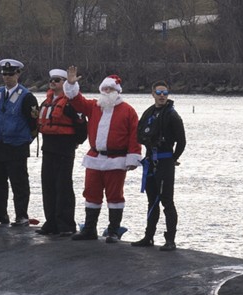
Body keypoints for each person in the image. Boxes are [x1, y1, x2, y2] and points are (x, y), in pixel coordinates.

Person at [70, 69, 140, 242]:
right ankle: (89, 229)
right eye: (105, 89)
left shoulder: (128, 111)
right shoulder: (94, 107)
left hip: (116, 160)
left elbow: (134, 135)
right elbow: (76, 101)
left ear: (117, 91)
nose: (107, 92)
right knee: (91, 194)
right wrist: (71, 84)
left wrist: (133, 157)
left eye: (111, 89)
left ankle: (113, 230)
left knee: (115, 196)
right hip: (95, 158)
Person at [131, 81, 187, 250]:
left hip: (164, 162)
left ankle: (170, 239)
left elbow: (182, 142)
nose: (162, 95)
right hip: (150, 161)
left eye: (165, 92)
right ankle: (149, 236)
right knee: (152, 201)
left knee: (167, 201)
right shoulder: (149, 113)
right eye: (159, 92)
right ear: (153, 93)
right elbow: (140, 134)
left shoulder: (172, 116)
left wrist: (173, 158)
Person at [36, 67, 89, 235]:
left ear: (64, 83)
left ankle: (65, 224)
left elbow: (82, 128)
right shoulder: (47, 102)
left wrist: (74, 143)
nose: (53, 83)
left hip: (64, 147)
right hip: (48, 146)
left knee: (63, 185)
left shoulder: (71, 103)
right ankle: (51, 221)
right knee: (48, 184)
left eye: (57, 80)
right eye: (52, 80)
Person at [0, 58, 40, 226]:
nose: (7, 77)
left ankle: (21, 216)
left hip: (17, 146)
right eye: (4, 74)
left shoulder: (27, 97)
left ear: (18, 74)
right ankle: (0, 214)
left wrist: (24, 140)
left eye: (11, 74)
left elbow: (34, 124)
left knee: (19, 184)